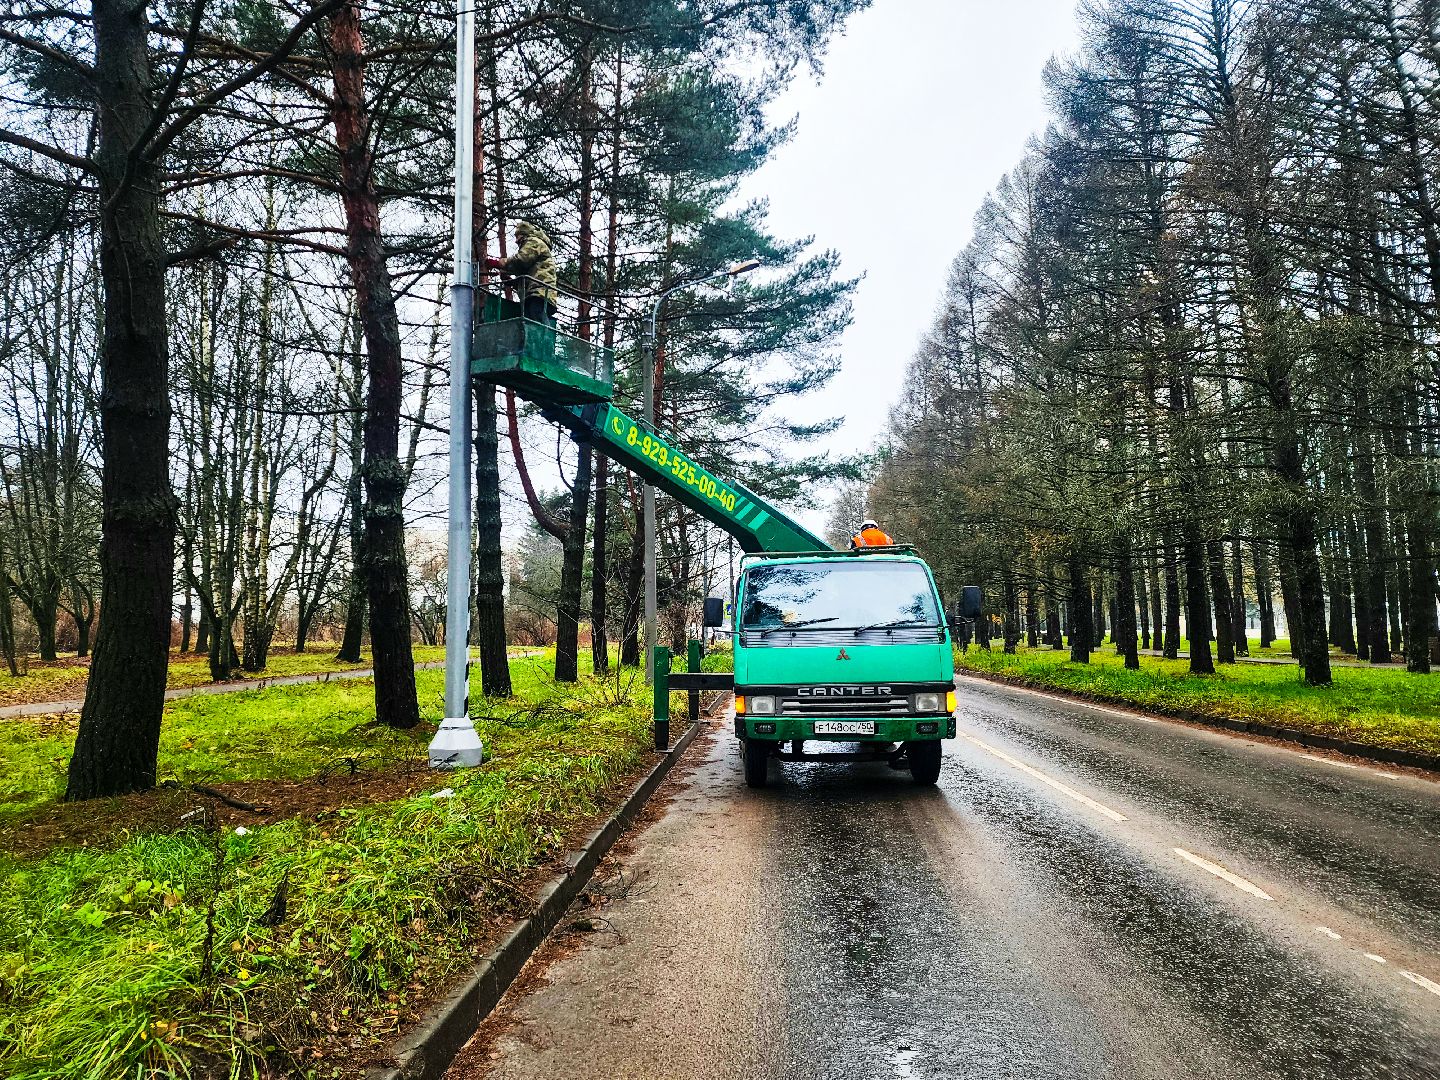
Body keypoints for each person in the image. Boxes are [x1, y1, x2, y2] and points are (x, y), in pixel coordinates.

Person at [484, 221, 557, 325]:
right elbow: (526, 272)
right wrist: (512, 282)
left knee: (536, 318)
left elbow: (521, 260)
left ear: (524, 234)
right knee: (531, 319)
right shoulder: (533, 245)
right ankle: (540, 338)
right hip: (536, 293)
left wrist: (498, 263)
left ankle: (542, 338)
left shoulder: (534, 242)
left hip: (540, 293)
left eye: (518, 236)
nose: (516, 241)